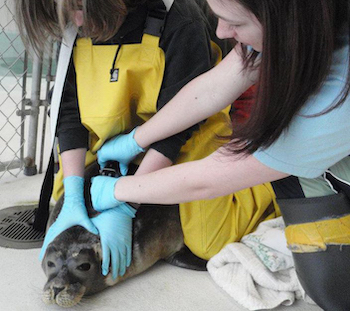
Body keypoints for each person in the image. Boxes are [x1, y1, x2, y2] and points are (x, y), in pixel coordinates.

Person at [90, 0, 350, 310]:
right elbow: (212, 88)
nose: (220, 31)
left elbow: (211, 178)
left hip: (328, 134)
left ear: (284, 21)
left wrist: (118, 192)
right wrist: (137, 139)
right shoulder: (300, 28)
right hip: (327, 145)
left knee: (336, 295)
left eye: (235, 23)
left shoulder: (332, 102)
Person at [15, 0, 279, 281]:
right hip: (107, 142)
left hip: (183, 137)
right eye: (67, 14)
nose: (77, 23)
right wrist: (73, 192)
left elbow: (181, 126)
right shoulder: (73, 25)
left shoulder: (180, 20)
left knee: (210, 241)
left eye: (80, 8)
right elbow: (68, 114)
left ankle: (270, 181)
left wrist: (129, 201)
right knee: (71, 221)